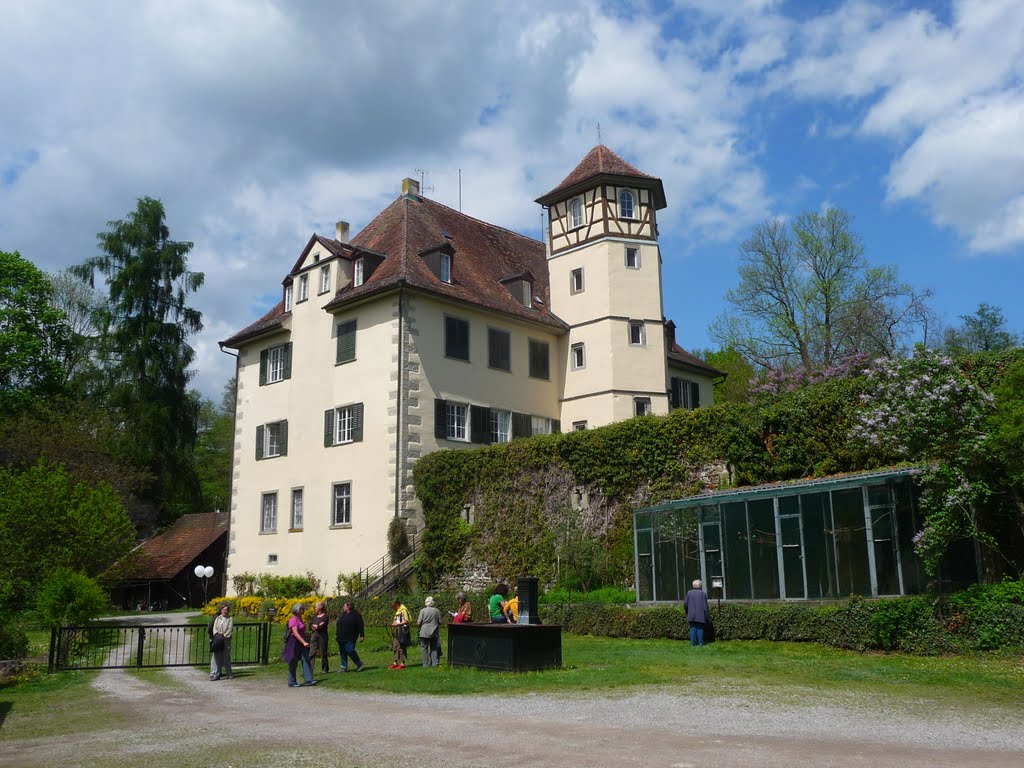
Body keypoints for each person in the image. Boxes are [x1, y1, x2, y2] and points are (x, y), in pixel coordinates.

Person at [284, 603, 318, 686]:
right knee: (293, 661)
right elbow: (295, 633)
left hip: (301, 642)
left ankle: (309, 679)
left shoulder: (300, 619)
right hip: (294, 642)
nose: (304, 610)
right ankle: (291, 681)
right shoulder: (293, 619)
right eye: (302, 609)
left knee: (306, 659)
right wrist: (304, 642)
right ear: (298, 610)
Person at [335, 600, 365, 673]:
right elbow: (339, 624)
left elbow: (360, 625)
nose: (343, 608)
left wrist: (362, 635)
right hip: (341, 637)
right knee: (342, 652)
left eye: (344, 606)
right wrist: (337, 634)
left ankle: (359, 663)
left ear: (349, 607)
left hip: (350, 637)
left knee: (350, 650)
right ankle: (343, 666)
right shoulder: (343, 615)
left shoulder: (356, 615)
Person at [417, 596, 443, 667]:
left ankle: (425, 664)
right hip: (434, 631)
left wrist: (420, 626)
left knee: (424, 648)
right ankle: (434, 663)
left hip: (424, 631)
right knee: (434, 647)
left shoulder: (422, 611)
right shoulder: (437, 611)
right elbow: (440, 622)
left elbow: (418, 622)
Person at [683, 579, 710, 647]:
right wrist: (707, 616)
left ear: (693, 585)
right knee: (700, 629)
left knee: (692, 628)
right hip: (700, 615)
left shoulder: (689, 593)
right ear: (700, 585)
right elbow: (705, 606)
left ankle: (692, 644)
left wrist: (687, 612)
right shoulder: (703, 593)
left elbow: (685, 604)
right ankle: (701, 643)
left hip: (691, 614)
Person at [211, 602, 234, 680]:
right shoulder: (218, 618)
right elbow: (214, 628)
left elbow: (229, 629)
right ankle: (215, 674)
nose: (224, 611)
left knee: (226, 657)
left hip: (226, 640)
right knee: (216, 657)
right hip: (218, 640)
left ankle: (229, 673)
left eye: (226, 610)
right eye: (223, 609)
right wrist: (217, 635)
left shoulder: (230, 619)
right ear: (221, 610)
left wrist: (223, 636)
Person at [309, 600, 330, 674]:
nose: (315, 608)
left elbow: (322, 626)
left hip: (322, 636)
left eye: (316, 606)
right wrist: (315, 626)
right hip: (314, 635)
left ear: (320, 607)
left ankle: (325, 668)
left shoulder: (326, 616)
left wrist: (317, 626)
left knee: (323, 653)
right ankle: (309, 670)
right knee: (311, 652)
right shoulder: (314, 616)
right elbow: (310, 625)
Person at [390, 599, 411, 669]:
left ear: (397, 605)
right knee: (395, 646)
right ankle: (395, 662)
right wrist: (393, 624)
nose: (394, 609)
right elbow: (397, 620)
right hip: (397, 631)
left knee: (402, 647)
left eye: (394, 607)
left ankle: (402, 663)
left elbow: (406, 621)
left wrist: (398, 624)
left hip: (402, 631)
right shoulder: (398, 611)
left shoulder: (403, 610)